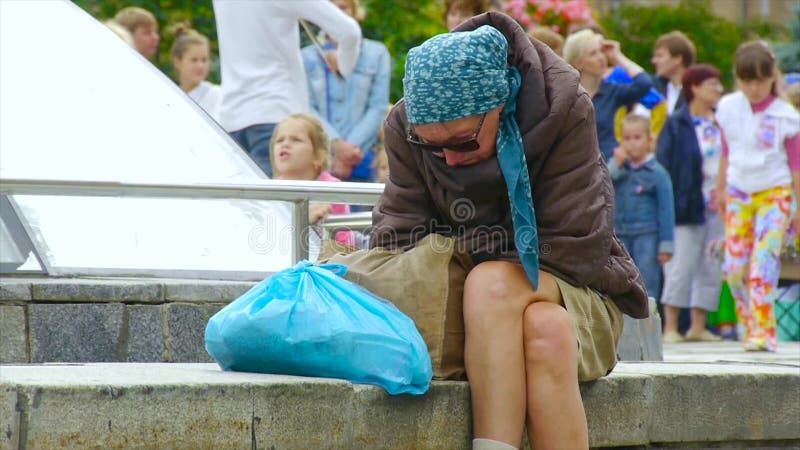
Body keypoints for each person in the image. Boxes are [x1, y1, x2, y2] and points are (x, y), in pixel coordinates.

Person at [371, 13, 647, 449]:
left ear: (502, 101)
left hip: (579, 288)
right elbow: (396, 239)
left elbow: (575, 245)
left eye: (462, 142)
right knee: (546, 329)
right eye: (432, 146)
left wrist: (471, 257)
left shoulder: (565, 107)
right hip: (484, 314)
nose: (449, 159)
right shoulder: (404, 126)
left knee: (493, 284)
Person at [715, 41, 800, 352]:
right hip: (739, 189)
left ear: (771, 77)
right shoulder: (728, 108)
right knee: (734, 267)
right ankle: (747, 323)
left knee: (763, 261)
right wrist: (721, 188)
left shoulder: (785, 115)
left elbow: (796, 165)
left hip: (775, 191)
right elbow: (727, 150)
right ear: (738, 79)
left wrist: (798, 206)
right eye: (747, 80)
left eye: (760, 80)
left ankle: (764, 331)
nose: (754, 87)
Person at [213, 0, 361, 177]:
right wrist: (344, 67)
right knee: (278, 204)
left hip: (229, 120)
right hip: (276, 115)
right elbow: (349, 32)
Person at [656, 64, 726, 343]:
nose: (718, 90)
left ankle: (699, 326)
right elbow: (664, 165)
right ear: (694, 87)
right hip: (686, 203)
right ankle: (671, 326)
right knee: (681, 264)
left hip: (717, 203)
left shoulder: (722, 122)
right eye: (712, 84)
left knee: (711, 264)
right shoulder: (677, 123)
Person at [302, 0, 390, 182]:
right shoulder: (306, 56)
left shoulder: (377, 53)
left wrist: (350, 149)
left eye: (343, 7)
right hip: (322, 157)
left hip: (362, 156)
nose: (337, 13)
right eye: (331, 7)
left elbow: (378, 107)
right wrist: (335, 145)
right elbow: (306, 106)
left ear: (354, 11)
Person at [609, 114, 675, 303]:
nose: (632, 144)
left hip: (647, 235)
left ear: (649, 140)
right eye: (627, 139)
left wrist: (666, 244)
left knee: (646, 280)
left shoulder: (657, 174)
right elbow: (603, 183)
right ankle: (624, 328)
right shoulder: (621, 169)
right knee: (621, 280)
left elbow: (666, 211)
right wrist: (616, 162)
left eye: (637, 138)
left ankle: (648, 325)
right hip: (620, 234)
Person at [563, 29, 652, 161]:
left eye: (602, 52)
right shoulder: (567, 95)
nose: (601, 57)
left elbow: (644, 83)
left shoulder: (613, 92)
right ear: (578, 62)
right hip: (577, 170)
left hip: (611, 170)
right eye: (593, 53)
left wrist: (617, 57)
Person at [270, 114, 355, 247]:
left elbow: (345, 243)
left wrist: (318, 228)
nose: (285, 144)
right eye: (279, 140)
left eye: (296, 139)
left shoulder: (331, 189)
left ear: (318, 155)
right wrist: (302, 220)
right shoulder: (268, 191)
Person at [170, 24, 221, 122]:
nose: (200, 66)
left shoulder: (217, 95)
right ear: (178, 61)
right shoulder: (171, 95)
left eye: (204, 60)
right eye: (194, 60)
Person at [651, 31, 696, 116]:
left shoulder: (695, 92)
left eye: (660, 56)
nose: (654, 61)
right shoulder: (655, 88)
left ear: (678, 59)